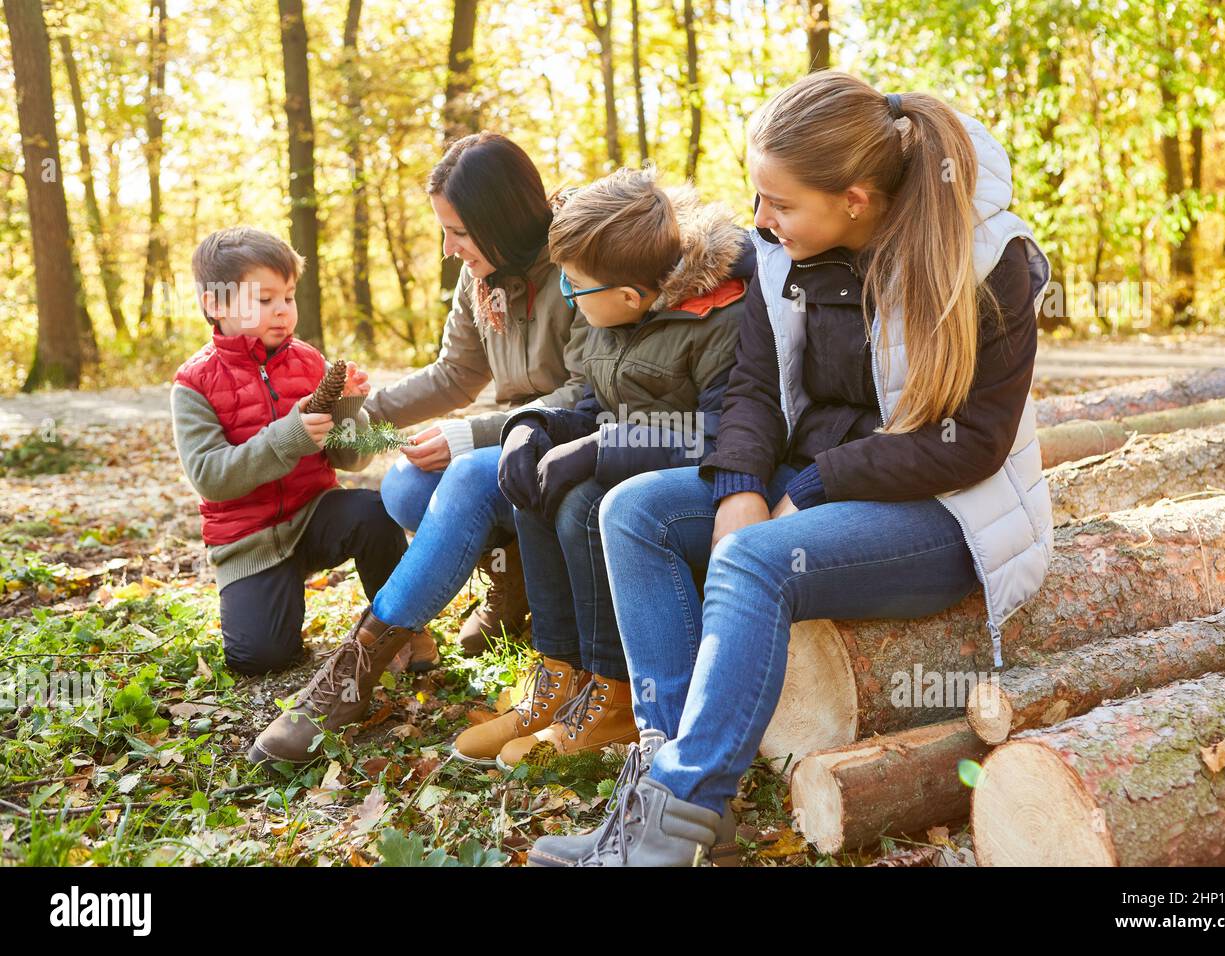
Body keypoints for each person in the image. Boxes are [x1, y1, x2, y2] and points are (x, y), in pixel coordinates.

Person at [530, 71, 1053, 866]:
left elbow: (971, 443)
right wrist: (741, 485)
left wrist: (806, 487)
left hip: (946, 512)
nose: (759, 222)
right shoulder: (779, 255)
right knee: (633, 511)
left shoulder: (987, 260)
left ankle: (678, 822)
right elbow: (751, 390)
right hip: (812, 483)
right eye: (757, 197)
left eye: (779, 203)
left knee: (756, 559)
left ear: (854, 199)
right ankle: (663, 789)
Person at [249, 133, 589, 765]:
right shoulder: (478, 278)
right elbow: (454, 375)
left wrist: (471, 436)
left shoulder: (581, 261)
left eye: (457, 232)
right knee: (404, 485)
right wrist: (362, 417)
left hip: (573, 444)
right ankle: (510, 581)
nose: (447, 249)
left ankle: (353, 672)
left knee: (462, 480)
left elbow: (589, 392)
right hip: (516, 448)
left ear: (501, 219)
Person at [451, 167, 751, 773]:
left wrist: (600, 449)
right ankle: (560, 676)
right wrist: (532, 427)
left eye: (576, 286)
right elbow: (589, 398)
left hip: (704, 482)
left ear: (633, 297)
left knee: (583, 503)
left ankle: (613, 694)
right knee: (534, 485)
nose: (566, 294)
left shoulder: (719, 318)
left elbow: (720, 431)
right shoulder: (605, 314)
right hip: (632, 459)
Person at [171, 226, 407, 681]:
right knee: (261, 658)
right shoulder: (194, 383)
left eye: (289, 297)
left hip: (313, 516)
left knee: (376, 511)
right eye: (264, 300)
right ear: (215, 304)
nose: (282, 311)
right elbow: (210, 476)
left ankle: (398, 627)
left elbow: (353, 460)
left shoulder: (309, 362)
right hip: (249, 538)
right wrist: (288, 437)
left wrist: (347, 409)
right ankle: (271, 595)